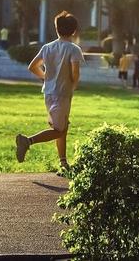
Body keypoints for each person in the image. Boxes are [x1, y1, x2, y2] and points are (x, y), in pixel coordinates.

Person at [15, 11, 84, 173]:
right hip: (63, 93)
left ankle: (63, 162)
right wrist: (74, 85)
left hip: (49, 92)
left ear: (57, 29)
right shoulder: (74, 49)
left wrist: (46, 77)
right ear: (74, 31)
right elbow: (75, 73)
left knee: (62, 127)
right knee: (58, 130)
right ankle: (27, 141)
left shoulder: (47, 47)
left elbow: (33, 66)